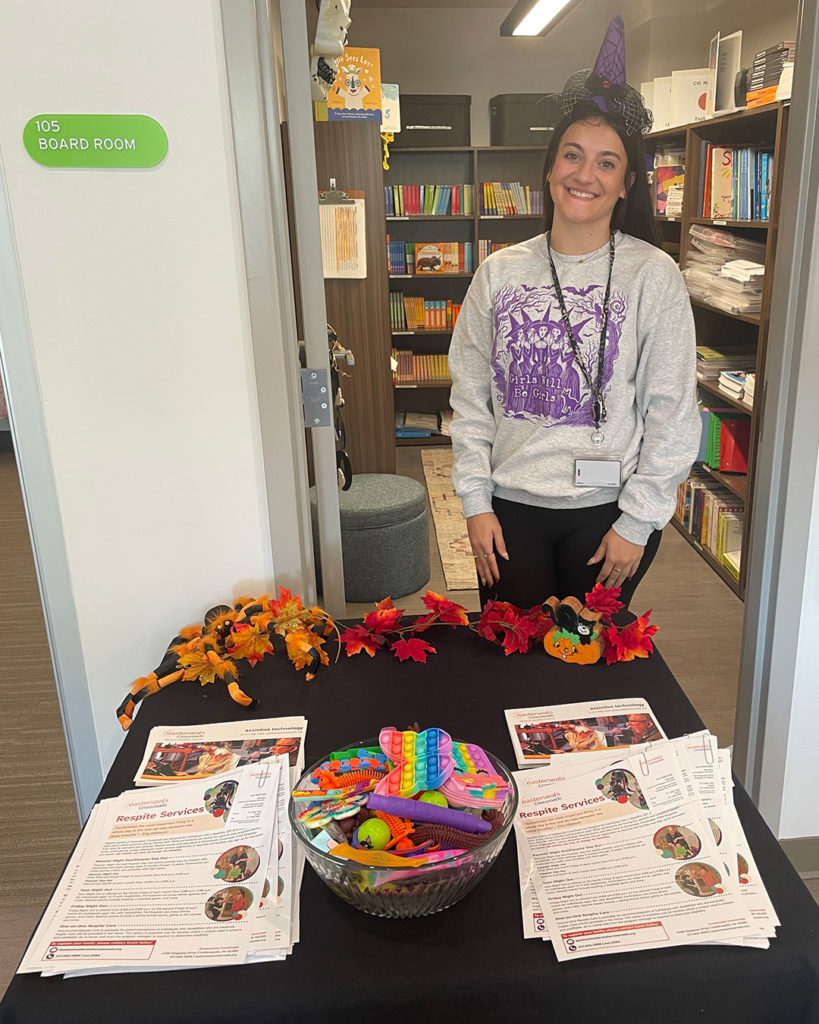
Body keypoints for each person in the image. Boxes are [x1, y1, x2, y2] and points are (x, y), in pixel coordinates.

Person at [448, 17, 701, 609]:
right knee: (515, 672)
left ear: (626, 184)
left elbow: (671, 412)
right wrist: (475, 502)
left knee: (589, 671)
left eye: (607, 163)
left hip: (608, 516)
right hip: (510, 514)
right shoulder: (500, 273)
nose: (585, 174)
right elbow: (470, 399)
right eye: (573, 155)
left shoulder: (652, 275)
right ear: (550, 167)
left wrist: (637, 523)